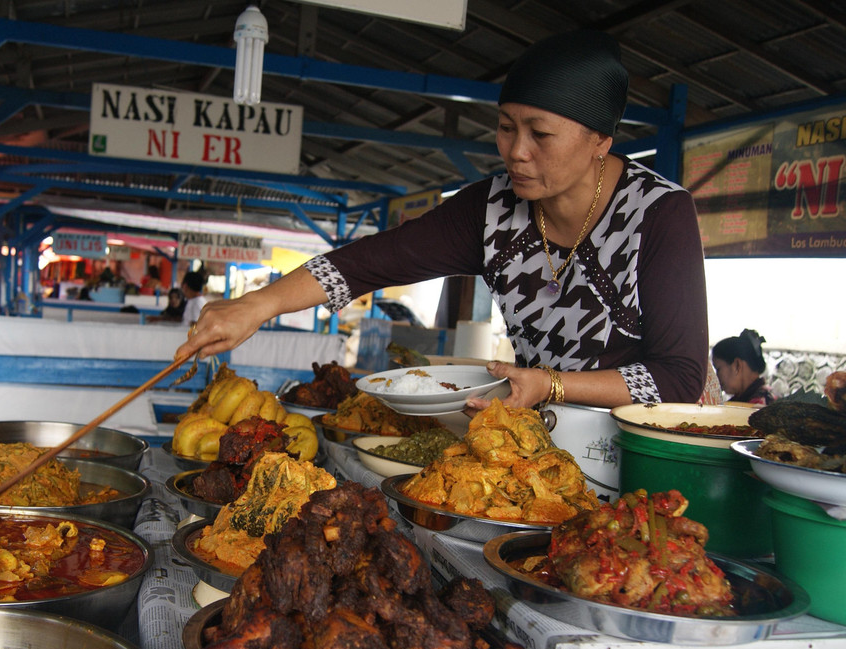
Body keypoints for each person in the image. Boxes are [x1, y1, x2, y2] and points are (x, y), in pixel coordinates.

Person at [175, 30, 709, 409]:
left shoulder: (659, 214)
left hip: (649, 453)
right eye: (505, 128)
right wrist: (255, 305)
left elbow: (680, 377)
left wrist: (552, 384)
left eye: (539, 134)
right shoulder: (492, 207)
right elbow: (370, 262)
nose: (516, 152)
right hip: (543, 437)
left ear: (601, 141)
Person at [712, 329, 775, 405]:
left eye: (718, 369)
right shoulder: (743, 400)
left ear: (737, 365)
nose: (716, 377)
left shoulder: (760, 404)